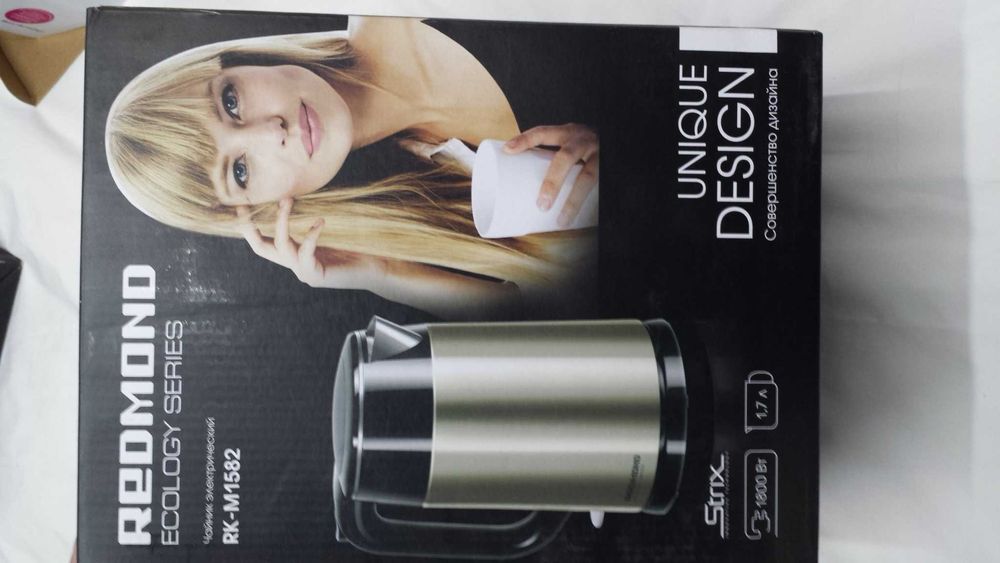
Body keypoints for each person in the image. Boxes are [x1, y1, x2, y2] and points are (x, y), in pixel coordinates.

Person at [105, 16, 599, 319]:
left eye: (231, 101)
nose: (272, 132)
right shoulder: (420, 195)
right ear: (256, 209)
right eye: (239, 172)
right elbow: (558, 317)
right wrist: (382, 273)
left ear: (238, 60)